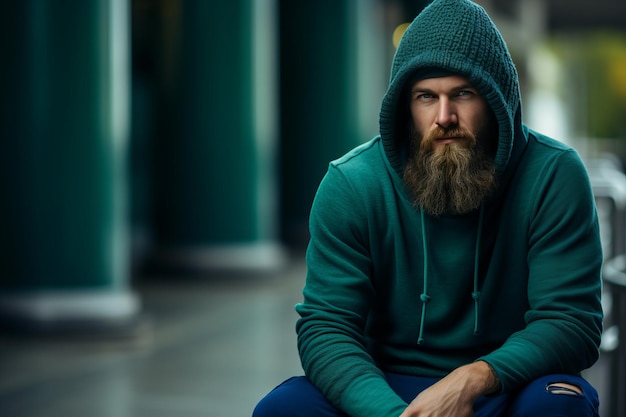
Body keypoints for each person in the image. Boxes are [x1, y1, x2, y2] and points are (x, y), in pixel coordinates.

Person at [253, 0, 603, 416]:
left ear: (496, 101)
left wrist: (473, 378)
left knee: (558, 405)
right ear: (405, 106)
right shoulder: (353, 183)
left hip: (508, 383)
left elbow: (569, 321)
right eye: (425, 96)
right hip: (387, 385)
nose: (444, 116)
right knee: (283, 408)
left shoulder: (552, 174)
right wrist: (390, 413)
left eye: (463, 94)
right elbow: (326, 327)